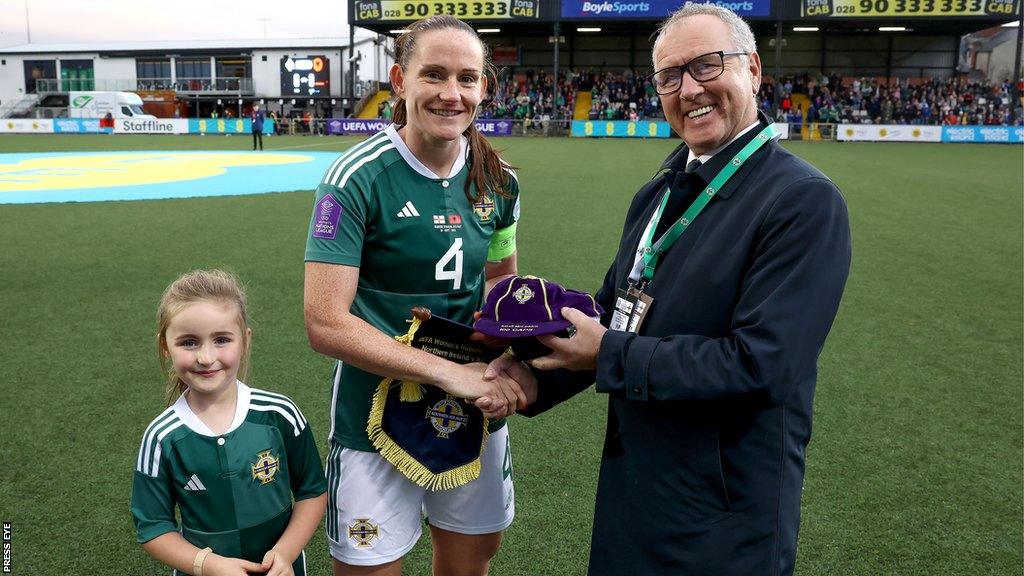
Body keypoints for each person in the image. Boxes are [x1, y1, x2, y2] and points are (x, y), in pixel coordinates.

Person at [479, 5, 851, 575]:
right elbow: (612, 316)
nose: (688, 89)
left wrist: (608, 353)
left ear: (752, 69)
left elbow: (762, 366)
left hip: (723, 520)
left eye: (706, 66)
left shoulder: (801, 200)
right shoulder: (657, 192)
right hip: (634, 495)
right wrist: (530, 378)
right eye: (669, 77)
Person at [303, 15, 527, 576]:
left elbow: (499, 281)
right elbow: (325, 323)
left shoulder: (499, 180)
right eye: (434, 74)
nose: (452, 94)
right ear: (400, 81)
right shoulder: (355, 178)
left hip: (471, 407)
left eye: (467, 79)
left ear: (483, 88)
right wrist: (441, 370)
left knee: (472, 559)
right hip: (373, 414)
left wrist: (506, 352)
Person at [131, 270, 328, 576]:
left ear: (245, 340)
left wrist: (284, 554)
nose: (206, 357)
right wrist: (208, 566)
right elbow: (153, 527)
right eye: (189, 342)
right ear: (165, 346)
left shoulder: (280, 414)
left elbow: (312, 491)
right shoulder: (161, 438)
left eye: (221, 340)